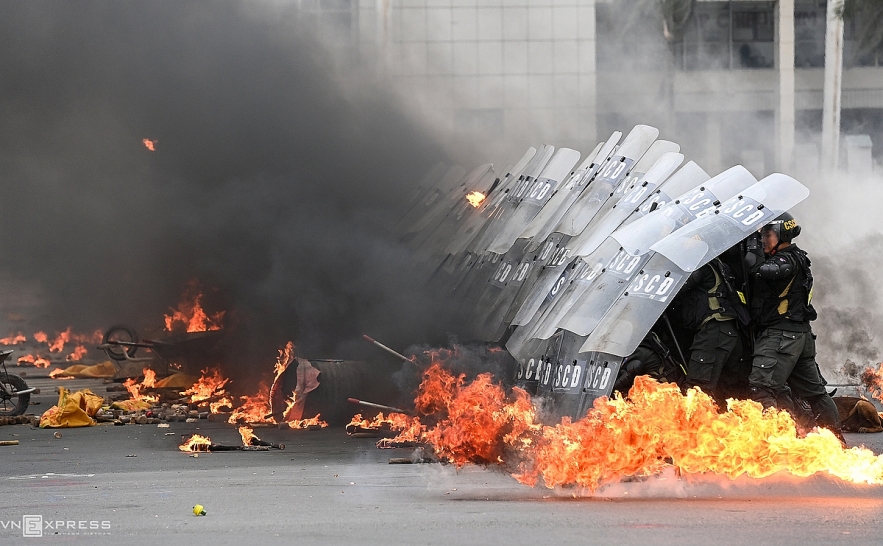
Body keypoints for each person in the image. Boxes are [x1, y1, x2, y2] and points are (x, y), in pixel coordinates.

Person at [743, 212, 842, 438]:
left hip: (782, 337)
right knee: (815, 393)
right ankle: (837, 442)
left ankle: (775, 443)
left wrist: (750, 243)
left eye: (767, 234)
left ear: (781, 234)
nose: (763, 239)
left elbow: (757, 269)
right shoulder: (797, 257)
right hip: (799, 337)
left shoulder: (785, 260)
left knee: (761, 389)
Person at [669, 246, 751, 407]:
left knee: (697, 390)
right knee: (725, 392)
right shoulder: (718, 264)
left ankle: (693, 430)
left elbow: (672, 291)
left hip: (714, 333)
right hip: (727, 333)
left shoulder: (701, 267)